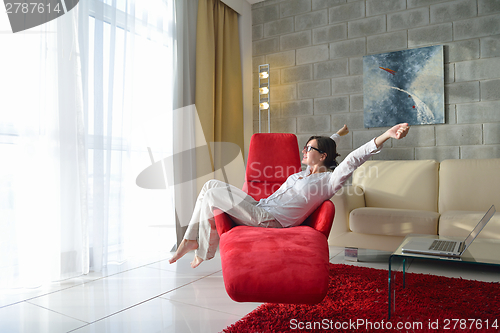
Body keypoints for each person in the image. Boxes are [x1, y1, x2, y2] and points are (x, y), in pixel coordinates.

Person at [169, 123, 410, 268]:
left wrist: (386, 135)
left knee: (211, 190)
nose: (304, 151)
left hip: (271, 221)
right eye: (304, 148)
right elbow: (324, 146)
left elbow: (352, 159)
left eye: (309, 149)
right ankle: (195, 242)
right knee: (210, 187)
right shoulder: (301, 174)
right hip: (260, 207)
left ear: (323, 156)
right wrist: (337, 134)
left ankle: (197, 244)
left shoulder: (328, 181)